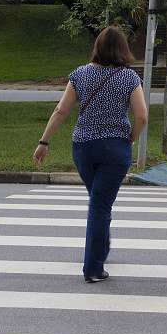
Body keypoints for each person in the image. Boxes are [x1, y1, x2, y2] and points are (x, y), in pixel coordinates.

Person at [34, 26, 148, 283]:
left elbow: (61, 110)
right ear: (123, 49)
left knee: (98, 201)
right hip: (115, 148)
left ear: (97, 46)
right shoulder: (129, 77)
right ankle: (93, 267)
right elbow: (141, 116)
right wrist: (130, 139)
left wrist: (44, 142)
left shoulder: (80, 74)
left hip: (83, 147)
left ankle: (101, 247)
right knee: (100, 204)